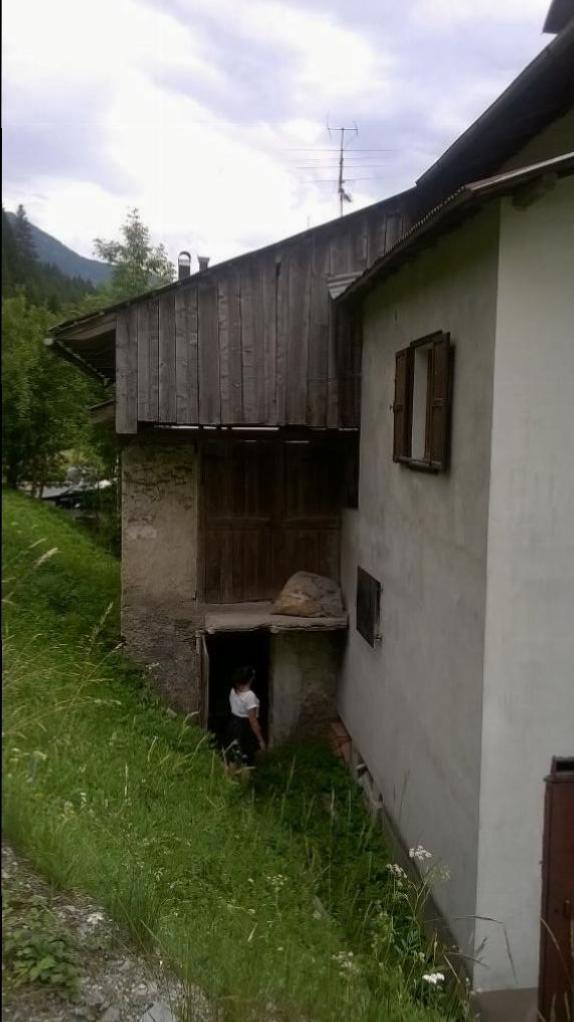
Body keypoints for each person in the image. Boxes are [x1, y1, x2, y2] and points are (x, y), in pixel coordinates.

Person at [227, 665, 266, 767]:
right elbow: (253, 721)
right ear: (250, 679)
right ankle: (244, 778)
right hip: (245, 728)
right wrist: (260, 740)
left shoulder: (233, 690)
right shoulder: (250, 696)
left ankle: (231, 776)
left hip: (233, 723)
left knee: (234, 753)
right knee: (246, 756)